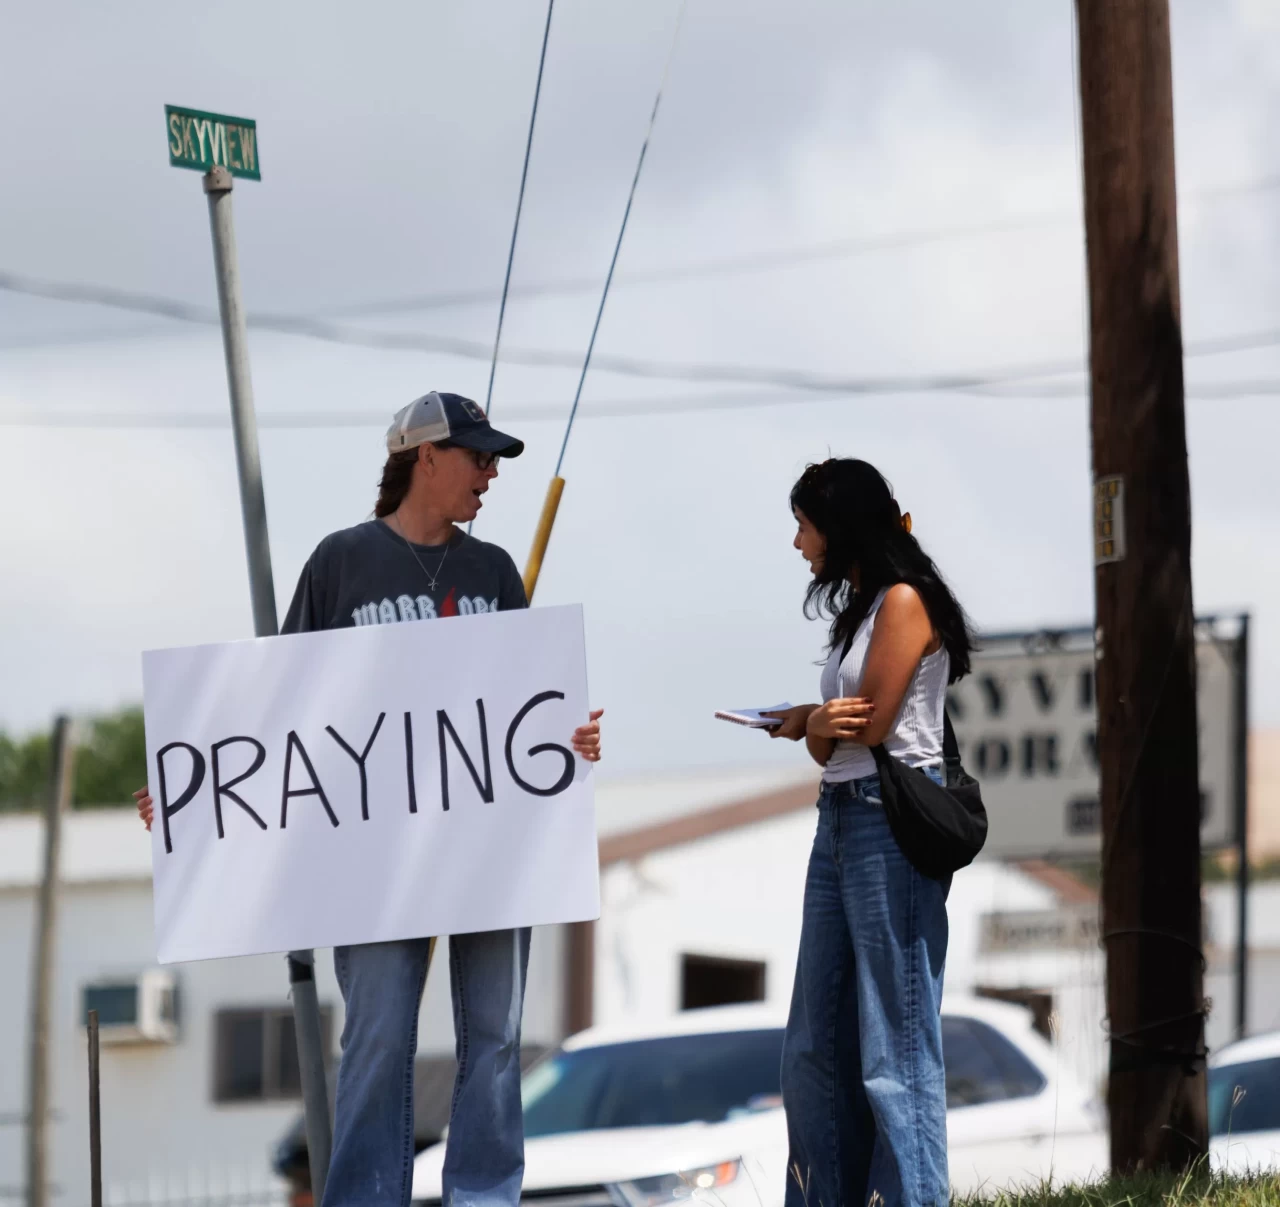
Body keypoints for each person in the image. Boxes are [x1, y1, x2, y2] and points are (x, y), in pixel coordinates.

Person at [135, 390, 603, 1207]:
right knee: (380, 1039)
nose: (491, 474)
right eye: (478, 456)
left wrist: (569, 740)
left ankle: (484, 1196)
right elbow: (274, 707)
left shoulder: (492, 570)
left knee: (493, 1037)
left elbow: (524, 706)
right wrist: (191, 787)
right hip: (373, 859)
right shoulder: (342, 562)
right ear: (426, 457)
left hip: (488, 848)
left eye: (495, 460)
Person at [763, 458, 973, 1207]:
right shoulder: (861, 606)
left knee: (897, 1047)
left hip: (888, 828)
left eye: (805, 525)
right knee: (814, 1046)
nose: (798, 542)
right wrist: (813, 724)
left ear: (841, 525)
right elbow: (835, 735)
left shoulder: (905, 602)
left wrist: (819, 727)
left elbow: (872, 725)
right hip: (839, 821)